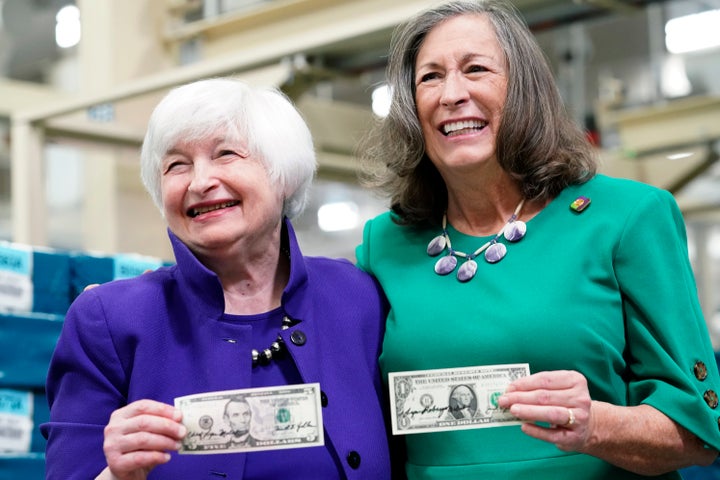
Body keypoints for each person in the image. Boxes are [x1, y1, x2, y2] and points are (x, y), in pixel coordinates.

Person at [355, 0, 720, 478]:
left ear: (522, 89)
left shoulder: (627, 217)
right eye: (430, 77)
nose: (452, 94)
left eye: (476, 69)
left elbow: (700, 429)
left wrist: (597, 425)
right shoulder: (383, 243)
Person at [41, 77, 396, 479]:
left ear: (285, 175)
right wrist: (116, 474)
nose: (199, 182)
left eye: (225, 154)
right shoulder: (108, 320)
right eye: (177, 165)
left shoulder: (357, 298)